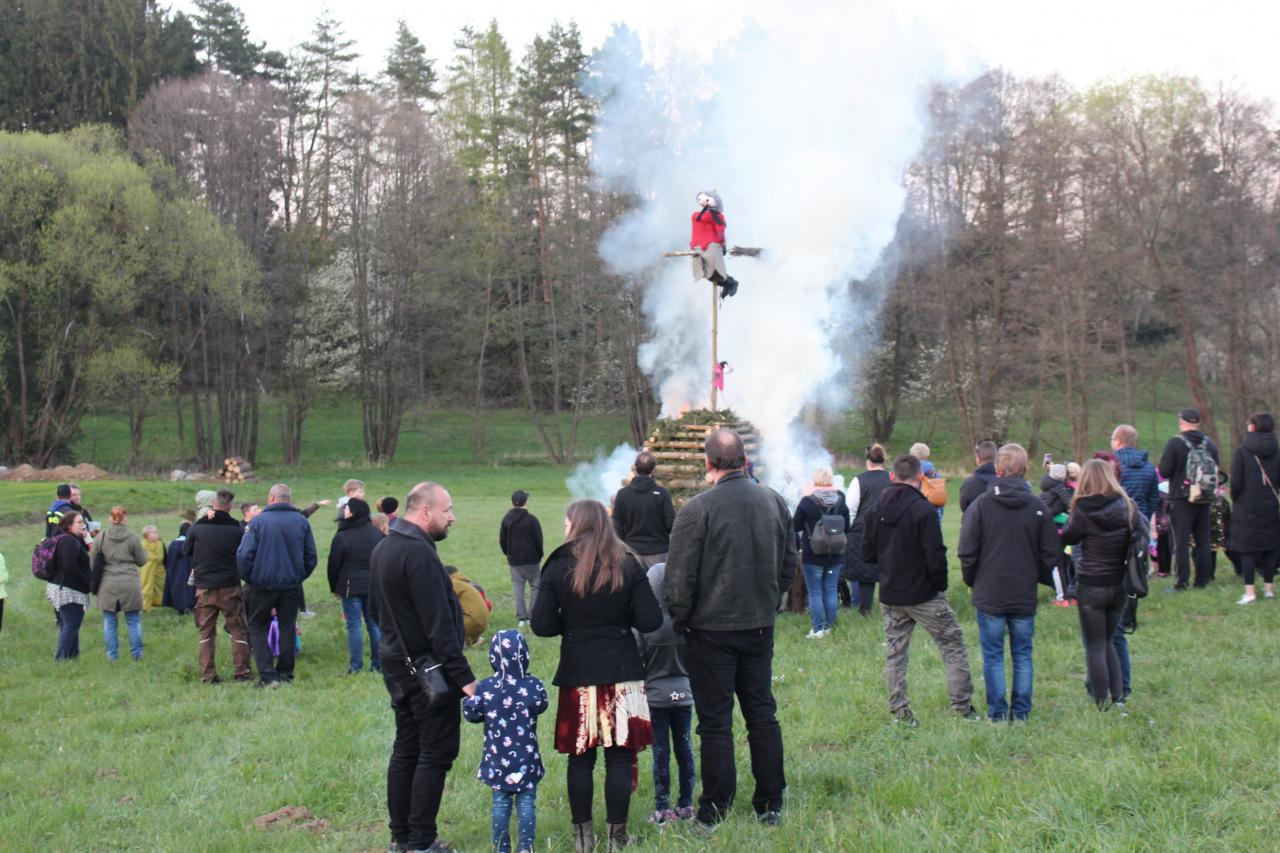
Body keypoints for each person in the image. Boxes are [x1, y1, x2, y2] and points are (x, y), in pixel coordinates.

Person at [665, 428, 795, 829]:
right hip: (755, 624)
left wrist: (682, 620)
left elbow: (678, 579)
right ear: (744, 460)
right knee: (761, 713)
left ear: (708, 464)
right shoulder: (773, 501)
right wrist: (769, 602)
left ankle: (716, 809)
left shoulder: (697, 509)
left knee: (716, 721)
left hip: (713, 629)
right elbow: (789, 565)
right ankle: (770, 803)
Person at [531, 500, 661, 851]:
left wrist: (574, 625)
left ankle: (582, 838)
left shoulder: (557, 565)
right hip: (623, 669)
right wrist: (619, 619)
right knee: (620, 757)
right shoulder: (628, 562)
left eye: (566, 523)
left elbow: (541, 624)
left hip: (578, 670)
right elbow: (650, 620)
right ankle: (616, 837)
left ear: (576, 525)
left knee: (580, 758)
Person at [369, 481, 478, 853]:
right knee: (435, 751)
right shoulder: (418, 554)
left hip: (396, 664)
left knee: (408, 748)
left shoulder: (384, 547)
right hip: (426, 669)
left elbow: (376, 612)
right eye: (447, 510)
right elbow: (440, 626)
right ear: (425, 511)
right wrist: (464, 678)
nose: (452, 517)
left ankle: (401, 838)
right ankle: (420, 841)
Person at [862, 454, 977, 727]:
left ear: (892, 476)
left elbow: (867, 553)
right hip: (924, 594)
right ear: (919, 478)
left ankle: (900, 712)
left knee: (895, 653)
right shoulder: (924, 511)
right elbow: (935, 555)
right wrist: (939, 586)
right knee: (952, 645)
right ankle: (963, 708)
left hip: (891, 593)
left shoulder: (875, 510)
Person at [958, 444, 1059, 723]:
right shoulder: (987, 505)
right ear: (1024, 469)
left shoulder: (1033, 508)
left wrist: (976, 579)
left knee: (998, 655)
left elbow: (1050, 553)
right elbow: (1050, 553)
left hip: (998, 590)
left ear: (998, 470)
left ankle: (1004, 713)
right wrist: (974, 579)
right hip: (1009, 589)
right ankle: (1012, 713)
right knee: (1021, 654)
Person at [1061, 459, 1137, 712]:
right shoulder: (1126, 505)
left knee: (1095, 645)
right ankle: (1118, 697)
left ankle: (1101, 701)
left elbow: (1068, 537)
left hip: (1091, 584)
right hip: (1119, 583)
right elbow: (1140, 534)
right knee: (1109, 641)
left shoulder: (1083, 510)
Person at [463, 630, 549, 853]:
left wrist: (468, 700)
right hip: (527, 758)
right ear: (524, 655)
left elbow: (472, 714)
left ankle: (501, 848)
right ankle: (526, 847)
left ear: (493, 657)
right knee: (526, 803)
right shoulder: (534, 686)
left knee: (500, 804)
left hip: (497, 760)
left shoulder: (485, 688)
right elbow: (542, 705)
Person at [237, 483, 317, 686]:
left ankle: (268, 675)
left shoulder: (257, 522)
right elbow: (311, 556)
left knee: (257, 626)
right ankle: (285, 673)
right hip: (290, 584)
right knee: (287, 627)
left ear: (271, 498)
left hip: (262, 584)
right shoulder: (301, 521)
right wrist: (298, 576)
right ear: (288, 499)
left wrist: (251, 578)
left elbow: (244, 555)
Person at [637, 561, 696, 826]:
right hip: (685, 693)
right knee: (685, 748)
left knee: (661, 752)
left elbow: (637, 658)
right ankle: (686, 804)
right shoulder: (687, 622)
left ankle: (662, 808)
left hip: (656, 697)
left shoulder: (646, 625)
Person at [186, 489, 252, 684]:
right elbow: (245, 553)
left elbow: (185, 550)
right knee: (238, 629)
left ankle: (208, 675)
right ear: (230, 506)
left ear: (213, 503)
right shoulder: (236, 528)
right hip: (230, 585)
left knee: (206, 632)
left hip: (205, 587)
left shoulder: (199, 525)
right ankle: (242, 672)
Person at [1158, 407, 1221, 590]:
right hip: (1204, 497)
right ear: (1198, 423)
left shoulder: (1175, 443)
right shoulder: (1209, 444)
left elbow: (1164, 471)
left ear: (1181, 422)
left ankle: (1182, 582)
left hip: (1181, 498)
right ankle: (1202, 581)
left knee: (1181, 542)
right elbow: (1216, 468)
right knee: (1203, 542)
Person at [326, 497, 385, 673]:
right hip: (373, 586)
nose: (344, 511)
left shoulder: (342, 536)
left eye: (347, 508)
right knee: (374, 625)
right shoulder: (377, 534)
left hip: (350, 587)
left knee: (354, 626)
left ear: (354, 512)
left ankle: (356, 666)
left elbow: (333, 564)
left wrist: (334, 587)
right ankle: (378, 664)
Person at [792, 467, 850, 638]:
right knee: (831, 589)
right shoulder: (840, 500)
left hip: (813, 555)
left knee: (815, 591)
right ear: (831, 481)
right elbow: (847, 527)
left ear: (815, 481)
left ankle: (817, 629)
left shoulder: (807, 501)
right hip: (835, 554)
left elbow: (795, 525)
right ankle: (829, 626)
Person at [1229, 413, 1280, 605]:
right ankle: (1268, 590)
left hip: (1246, 506)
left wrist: (1236, 498)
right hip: (1271, 505)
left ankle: (1250, 592)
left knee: (1247, 549)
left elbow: (1235, 483)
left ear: (1253, 427)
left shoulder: (1242, 450)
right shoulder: (1277, 450)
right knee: (1269, 548)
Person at [95, 506, 149, 662]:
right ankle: (137, 655)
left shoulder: (101, 536)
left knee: (110, 622)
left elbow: (93, 561)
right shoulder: (132, 537)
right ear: (125, 518)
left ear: (110, 518)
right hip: (129, 583)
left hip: (107, 584)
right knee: (133, 621)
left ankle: (112, 656)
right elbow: (141, 561)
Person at [845, 444, 891, 617]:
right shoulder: (892, 478)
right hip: (888, 529)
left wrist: (848, 530)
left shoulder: (859, 480)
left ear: (868, 461)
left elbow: (850, 509)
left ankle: (865, 610)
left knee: (866, 574)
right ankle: (890, 608)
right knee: (888, 570)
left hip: (863, 531)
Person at [612, 451, 676, 568]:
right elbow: (670, 524)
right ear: (653, 470)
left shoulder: (622, 494)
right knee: (657, 580)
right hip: (658, 553)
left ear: (636, 469)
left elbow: (617, 526)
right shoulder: (662, 494)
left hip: (631, 553)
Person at [47, 512, 92, 660]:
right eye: (79, 522)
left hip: (63, 587)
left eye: (82, 522)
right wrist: (86, 583)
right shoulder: (68, 541)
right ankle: (61, 659)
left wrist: (86, 537)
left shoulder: (72, 539)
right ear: (69, 525)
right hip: (68, 590)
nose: (83, 525)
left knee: (71, 624)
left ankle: (72, 657)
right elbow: (69, 566)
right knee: (71, 624)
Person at [500, 490, 544, 627]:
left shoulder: (507, 519)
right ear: (526, 502)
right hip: (532, 560)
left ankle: (522, 618)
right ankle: (532, 615)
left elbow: (502, 540)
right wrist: (539, 555)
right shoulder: (532, 520)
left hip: (515, 561)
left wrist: (508, 554)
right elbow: (538, 540)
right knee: (536, 586)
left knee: (518, 588)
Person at [689, 190, 739, 298]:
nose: (703, 201)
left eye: (706, 199)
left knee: (714, 271)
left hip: (711, 246)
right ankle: (728, 283)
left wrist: (722, 244)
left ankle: (730, 283)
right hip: (698, 246)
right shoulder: (696, 215)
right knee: (701, 271)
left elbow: (720, 231)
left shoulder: (717, 216)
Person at [445, 565, 490, 647]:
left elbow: (441, 601)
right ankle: (472, 641)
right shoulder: (464, 583)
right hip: (482, 624)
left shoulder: (454, 583)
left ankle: (458, 642)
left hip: (472, 622)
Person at [164, 522, 197, 615]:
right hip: (190, 571)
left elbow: (169, 560)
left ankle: (179, 607)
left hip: (176, 572)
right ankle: (191, 606)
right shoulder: (194, 544)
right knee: (191, 588)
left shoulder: (173, 544)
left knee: (178, 587)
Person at [959, 441, 998, 514]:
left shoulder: (969, 484)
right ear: (996, 459)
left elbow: (964, 508)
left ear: (978, 460)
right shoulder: (1005, 481)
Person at [139, 525, 166, 612]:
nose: (156, 534)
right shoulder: (143, 543)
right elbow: (147, 554)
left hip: (159, 570)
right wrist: (154, 558)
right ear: (146, 535)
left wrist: (154, 558)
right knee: (146, 588)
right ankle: (145, 607)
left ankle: (159, 602)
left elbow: (160, 557)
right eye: (153, 533)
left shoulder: (159, 543)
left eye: (156, 533)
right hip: (147, 570)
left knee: (162, 586)